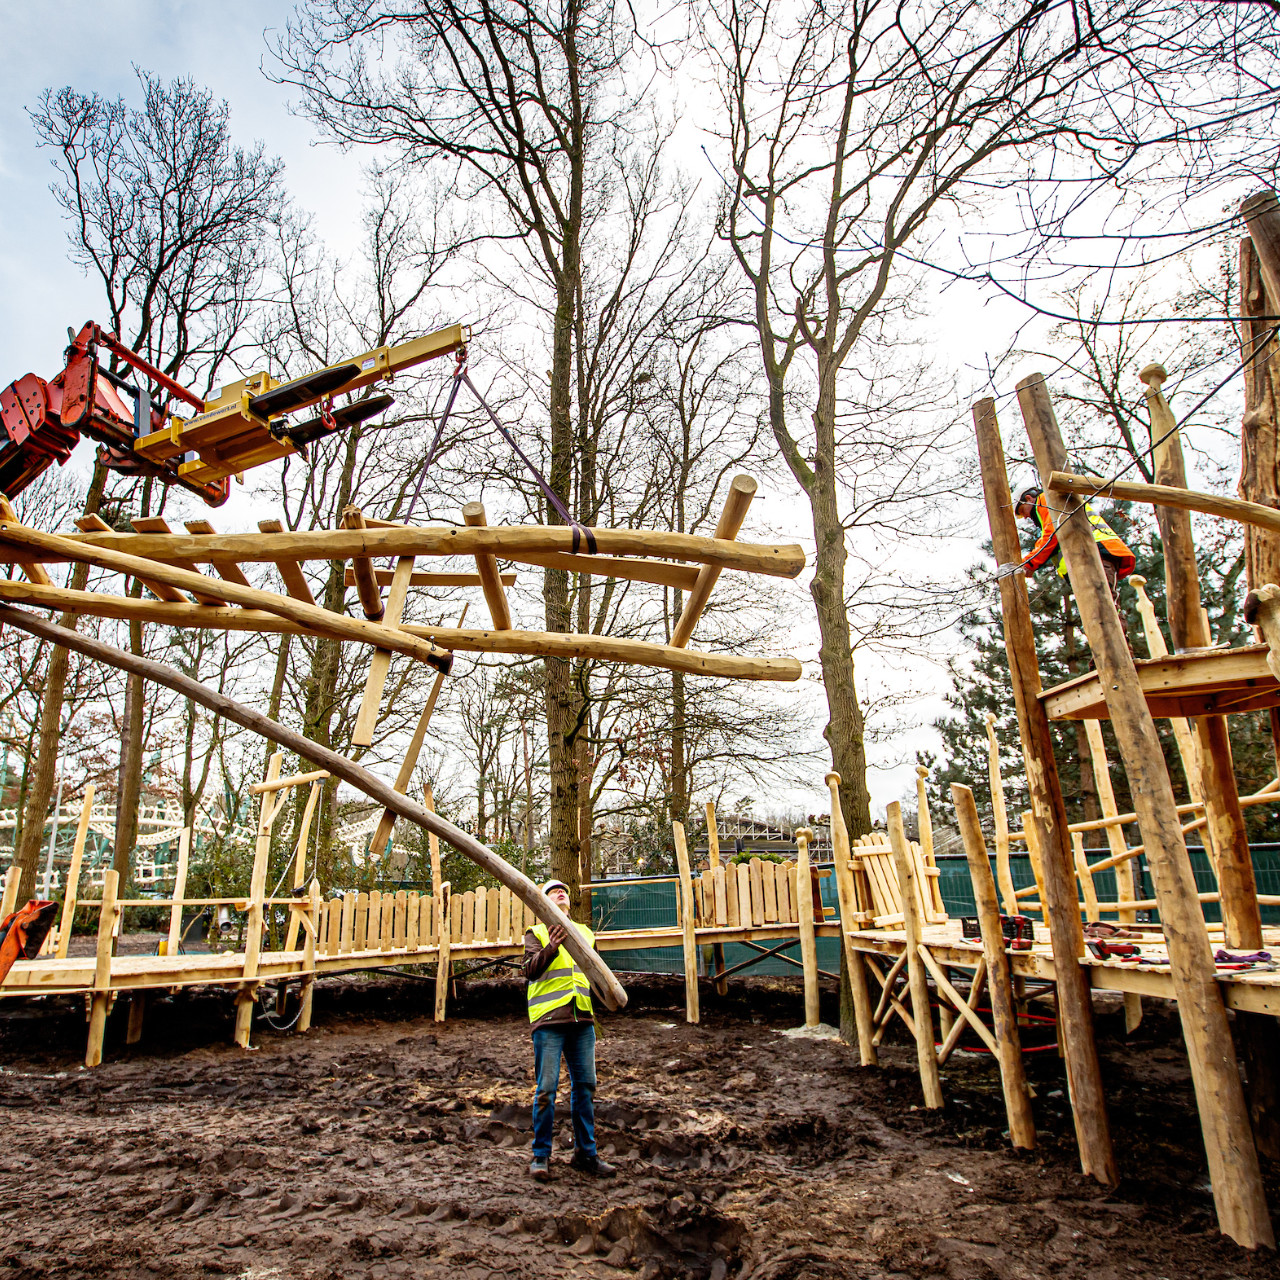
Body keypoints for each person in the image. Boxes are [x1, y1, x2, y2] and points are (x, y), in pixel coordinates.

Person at [524, 879, 616, 1181]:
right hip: (549, 1021)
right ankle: (541, 1157)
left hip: (582, 1021)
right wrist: (552, 946)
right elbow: (530, 971)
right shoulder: (536, 933)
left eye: (562, 889)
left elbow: (598, 975)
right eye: (552, 891)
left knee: (586, 1087)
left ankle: (586, 1154)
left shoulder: (587, 933)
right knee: (546, 1090)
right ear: (544, 903)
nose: (560, 891)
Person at [1007, 473, 1135, 611]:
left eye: (1022, 511)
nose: (1026, 517)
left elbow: (1052, 535)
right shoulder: (1049, 508)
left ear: (1028, 499)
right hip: (1089, 556)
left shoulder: (1047, 501)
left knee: (1103, 606)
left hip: (1092, 553)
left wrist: (1028, 563)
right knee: (1100, 608)